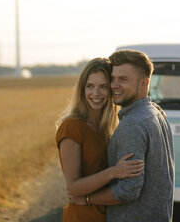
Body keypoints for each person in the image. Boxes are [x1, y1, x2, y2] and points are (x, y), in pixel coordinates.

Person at [79, 49, 175, 222]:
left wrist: (88, 199)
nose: (114, 85)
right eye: (113, 78)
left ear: (144, 83)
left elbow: (127, 190)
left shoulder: (133, 124)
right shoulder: (157, 114)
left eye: (123, 79)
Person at [56, 57, 145, 222]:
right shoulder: (72, 126)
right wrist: (114, 172)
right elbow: (74, 188)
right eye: (90, 86)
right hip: (82, 216)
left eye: (103, 87)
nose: (95, 94)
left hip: (109, 215)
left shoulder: (110, 126)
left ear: (111, 89)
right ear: (82, 88)